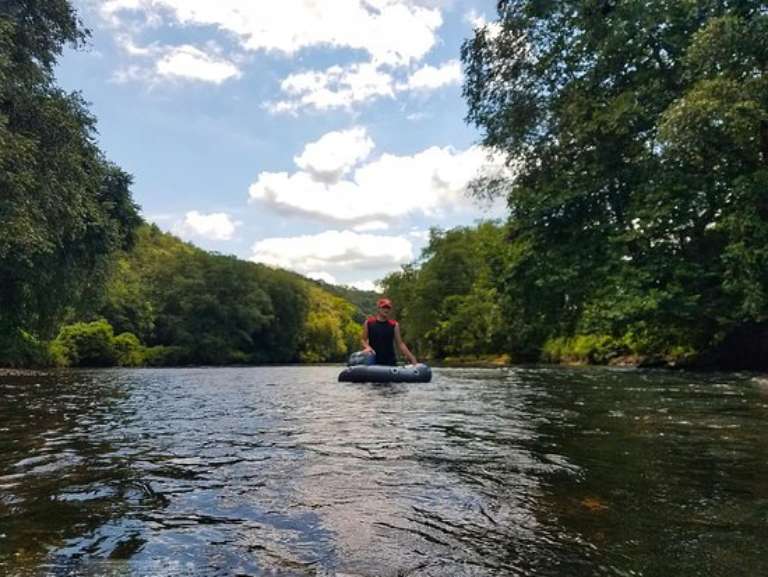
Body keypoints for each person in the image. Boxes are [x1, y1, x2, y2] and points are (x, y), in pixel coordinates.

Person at [361, 298, 418, 366]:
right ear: (379, 308)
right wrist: (368, 347)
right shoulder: (369, 323)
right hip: (374, 362)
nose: (386, 310)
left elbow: (400, 344)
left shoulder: (394, 325)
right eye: (384, 307)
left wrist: (412, 358)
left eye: (388, 308)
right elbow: (363, 340)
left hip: (390, 362)